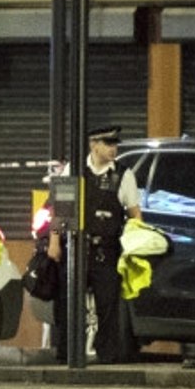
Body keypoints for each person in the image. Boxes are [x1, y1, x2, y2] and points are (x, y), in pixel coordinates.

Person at [47, 125, 142, 364]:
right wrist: (55, 242)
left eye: (115, 144)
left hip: (106, 250)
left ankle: (107, 355)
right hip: (77, 248)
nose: (114, 149)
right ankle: (68, 353)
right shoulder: (74, 169)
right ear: (93, 145)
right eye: (108, 144)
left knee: (108, 304)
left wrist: (136, 244)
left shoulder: (123, 174)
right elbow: (61, 210)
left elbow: (135, 215)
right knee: (69, 303)